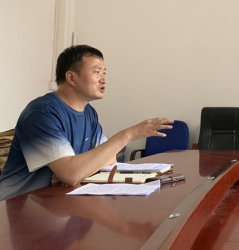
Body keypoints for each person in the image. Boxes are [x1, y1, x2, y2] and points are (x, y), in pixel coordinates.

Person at [0, 45, 173, 201]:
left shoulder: (89, 112)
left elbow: (109, 160)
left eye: (104, 73)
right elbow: (71, 174)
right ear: (71, 77)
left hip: (57, 201)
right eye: (97, 72)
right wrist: (128, 135)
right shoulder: (42, 113)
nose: (104, 79)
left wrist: (77, 170)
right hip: (17, 205)